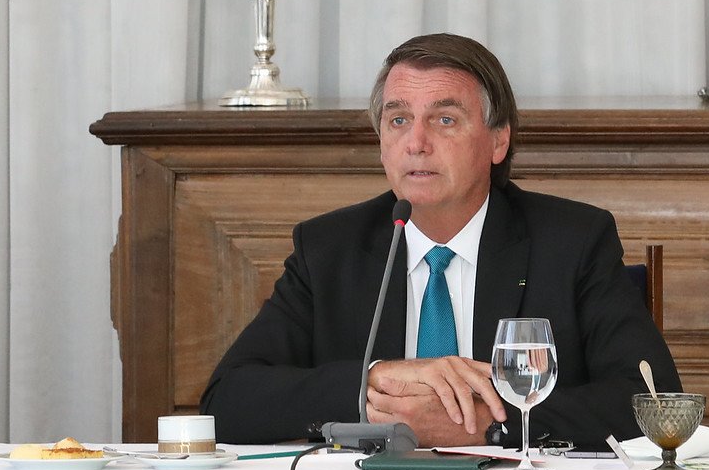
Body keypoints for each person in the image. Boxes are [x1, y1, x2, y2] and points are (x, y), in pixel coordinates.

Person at [202, 33, 680, 446]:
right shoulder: (329, 249)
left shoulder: (572, 242)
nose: (417, 142)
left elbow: (653, 401)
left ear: (498, 141)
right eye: (398, 120)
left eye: (445, 119)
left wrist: (489, 427)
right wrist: (373, 381)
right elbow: (228, 400)